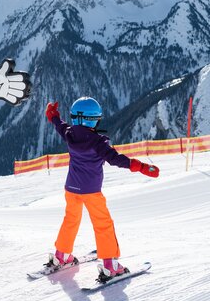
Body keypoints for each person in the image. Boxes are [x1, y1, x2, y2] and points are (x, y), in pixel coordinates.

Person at [45, 97, 160, 277]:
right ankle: (110, 265)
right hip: (91, 191)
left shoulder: (69, 134)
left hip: (71, 188)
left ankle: (61, 256)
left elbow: (60, 125)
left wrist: (53, 115)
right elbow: (116, 159)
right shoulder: (97, 142)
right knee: (103, 225)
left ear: (76, 117)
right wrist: (142, 167)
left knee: (71, 220)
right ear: (91, 119)